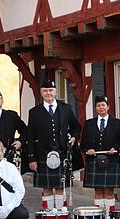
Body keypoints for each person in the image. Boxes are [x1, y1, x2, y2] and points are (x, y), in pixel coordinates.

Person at [25, 80, 80, 210]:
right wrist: (32, 158)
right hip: (42, 155)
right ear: (41, 92)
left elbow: (76, 127)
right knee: (47, 187)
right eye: (45, 90)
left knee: (61, 187)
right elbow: (30, 136)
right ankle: (48, 214)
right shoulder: (34, 112)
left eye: (51, 90)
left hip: (61, 153)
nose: (48, 93)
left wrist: (73, 137)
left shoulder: (65, 108)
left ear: (55, 92)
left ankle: (60, 214)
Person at [81, 96, 120, 211]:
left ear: (108, 107)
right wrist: (88, 150)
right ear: (96, 108)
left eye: (103, 105)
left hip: (111, 161)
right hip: (94, 161)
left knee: (109, 191)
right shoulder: (89, 123)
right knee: (98, 191)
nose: (101, 107)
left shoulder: (117, 123)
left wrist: (115, 149)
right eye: (98, 105)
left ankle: (109, 217)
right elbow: (83, 144)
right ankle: (99, 218)